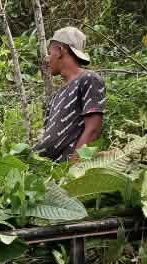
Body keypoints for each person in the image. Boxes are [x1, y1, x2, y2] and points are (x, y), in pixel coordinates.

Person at [34, 27, 106, 163]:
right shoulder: (56, 95)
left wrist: (72, 169)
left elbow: (93, 130)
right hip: (52, 172)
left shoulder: (89, 79)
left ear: (60, 51)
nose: (48, 59)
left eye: (50, 53)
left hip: (69, 173)